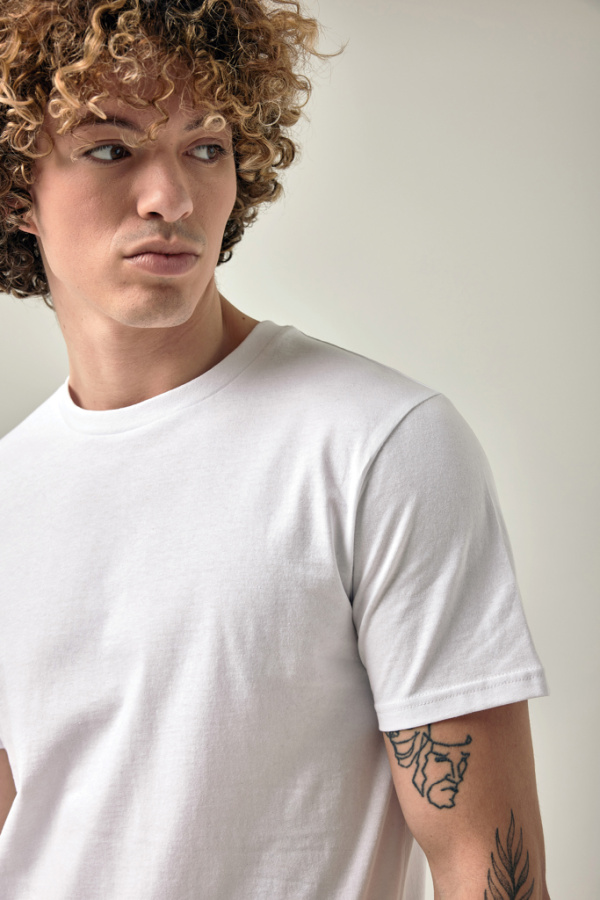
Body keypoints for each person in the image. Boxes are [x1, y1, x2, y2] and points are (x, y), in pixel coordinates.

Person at [0, 1, 551, 898]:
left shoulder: (378, 447)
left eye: (205, 147)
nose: (172, 199)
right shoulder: (9, 494)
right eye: (111, 149)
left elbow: (480, 859)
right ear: (16, 190)